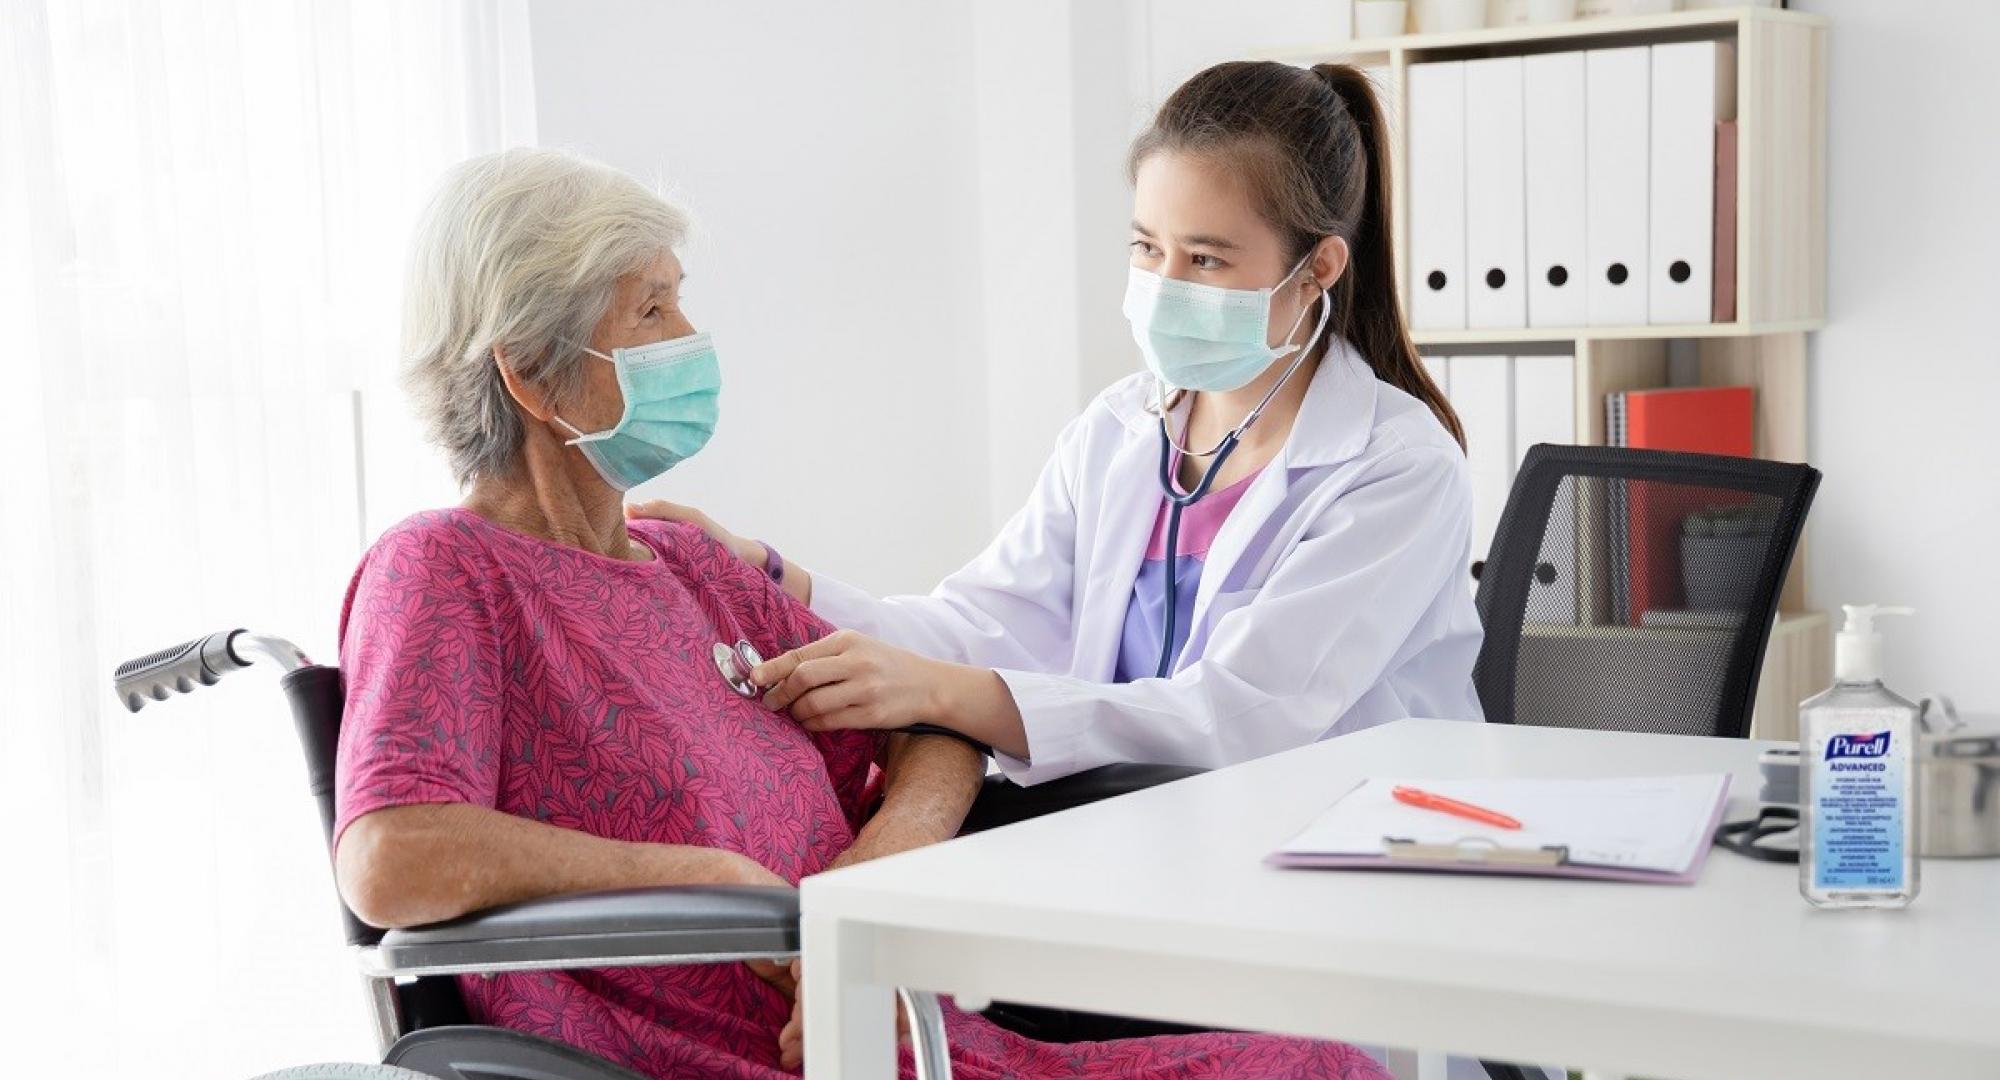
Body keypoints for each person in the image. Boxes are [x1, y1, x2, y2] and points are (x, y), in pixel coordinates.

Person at [333, 146, 1388, 1079]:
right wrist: (708, 878)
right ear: (529, 371)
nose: (691, 338)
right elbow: (392, 857)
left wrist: (888, 857)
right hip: (721, 1056)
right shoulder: (445, 570)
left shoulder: (686, 564)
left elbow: (923, 720)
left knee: (1322, 1064)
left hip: (900, 1036)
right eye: (649, 311)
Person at [634, 60, 1484, 786]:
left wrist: (933, 692)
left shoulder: (1396, 465)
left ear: (1317, 269)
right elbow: (982, 625)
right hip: (1136, 832)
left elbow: (1239, 718)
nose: (1164, 283)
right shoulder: (1119, 432)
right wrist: (772, 575)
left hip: (1330, 843)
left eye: (1207, 258)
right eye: (1147, 248)